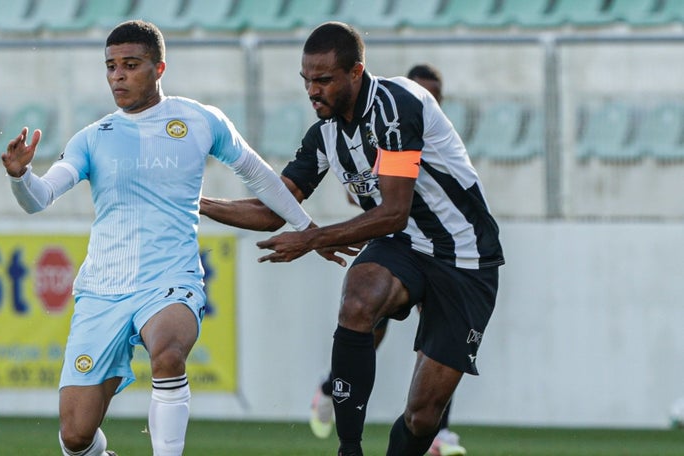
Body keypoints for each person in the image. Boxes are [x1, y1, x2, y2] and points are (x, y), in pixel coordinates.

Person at [1, 20, 313, 456]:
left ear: (159, 67)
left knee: (167, 353)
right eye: (110, 66)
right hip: (103, 291)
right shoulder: (92, 138)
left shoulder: (201, 120)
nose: (118, 76)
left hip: (170, 280)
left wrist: (307, 228)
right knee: (75, 437)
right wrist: (21, 177)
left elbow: (258, 175)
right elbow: (41, 197)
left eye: (130, 65)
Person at [200, 22, 503, 456]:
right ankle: (349, 448)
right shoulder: (323, 135)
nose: (312, 91)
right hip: (403, 244)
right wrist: (196, 203)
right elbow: (272, 212)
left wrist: (311, 238)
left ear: (356, 72)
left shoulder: (396, 106)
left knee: (422, 416)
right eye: (306, 80)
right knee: (358, 299)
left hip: (465, 257)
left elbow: (394, 210)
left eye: (323, 80)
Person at [308, 62, 465, 456]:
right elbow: (368, 194)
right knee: (368, 316)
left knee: (437, 345)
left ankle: (436, 429)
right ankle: (334, 389)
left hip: (443, 250)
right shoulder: (381, 130)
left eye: (436, 95)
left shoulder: (433, 133)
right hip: (400, 243)